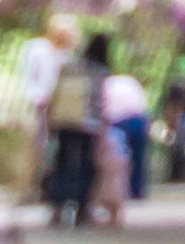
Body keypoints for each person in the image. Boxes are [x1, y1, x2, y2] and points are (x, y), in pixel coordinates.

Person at [35, 26, 100, 229]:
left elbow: (54, 94)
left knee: (61, 162)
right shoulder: (97, 72)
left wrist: (49, 120)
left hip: (62, 121)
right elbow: (99, 102)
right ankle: (81, 209)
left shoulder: (66, 68)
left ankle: (57, 207)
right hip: (86, 124)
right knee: (84, 165)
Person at [100, 38, 150, 226]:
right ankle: (138, 190)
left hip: (119, 121)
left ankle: (122, 192)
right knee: (138, 157)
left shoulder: (106, 84)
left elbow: (104, 109)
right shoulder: (129, 81)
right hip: (139, 118)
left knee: (119, 161)